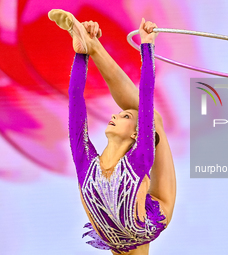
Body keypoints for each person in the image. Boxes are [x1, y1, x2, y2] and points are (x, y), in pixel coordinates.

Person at [48, 9, 176, 255]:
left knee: (153, 118)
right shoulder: (140, 158)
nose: (115, 114)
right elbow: (145, 100)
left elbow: (75, 103)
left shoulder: (88, 162)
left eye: (123, 116)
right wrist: (147, 46)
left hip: (120, 234)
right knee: (152, 117)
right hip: (148, 220)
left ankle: (92, 46)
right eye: (122, 114)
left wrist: (80, 55)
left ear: (136, 135)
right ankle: (92, 45)